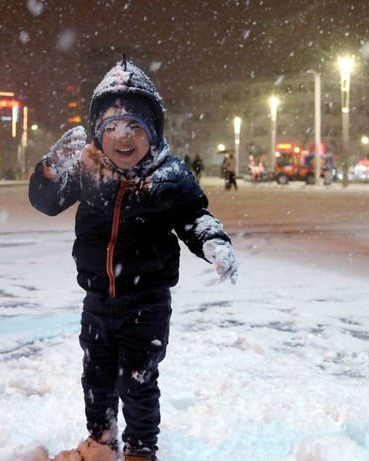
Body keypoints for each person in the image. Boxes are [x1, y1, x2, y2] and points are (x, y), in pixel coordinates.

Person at [28, 57, 238, 461]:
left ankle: (141, 449)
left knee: (137, 380)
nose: (123, 137)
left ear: (153, 131)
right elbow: (46, 202)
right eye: (111, 127)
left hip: (147, 303)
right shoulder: (88, 170)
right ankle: (102, 439)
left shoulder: (169, 176)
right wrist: (51, 170)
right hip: (97, 300)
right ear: (97, 132)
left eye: (134, 127)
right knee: (96, 376)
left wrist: (212, 240)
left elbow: (194, 215)